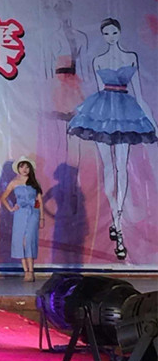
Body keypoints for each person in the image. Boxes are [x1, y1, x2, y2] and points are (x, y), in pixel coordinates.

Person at [67, 18, 157, 260]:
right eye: (106, 33)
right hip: (104, 112)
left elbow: (138, 92)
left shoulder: (131, 57)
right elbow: (99, 89)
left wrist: (152, 121)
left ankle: (118, 220)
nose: (110, 36)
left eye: (113, 32)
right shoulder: (99, 60)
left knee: (121, 167)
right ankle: (116, 223)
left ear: (119, 32)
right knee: (109, 167)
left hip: (126, 112)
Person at [0, 156, 44, 282]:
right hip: (20, 214)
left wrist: (41, 217)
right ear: (18, 169)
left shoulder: (34, 183)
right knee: (20, 242)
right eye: (22, 167)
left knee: (29, 240)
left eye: (27, 167)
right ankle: (26, 271)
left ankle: (31, 271)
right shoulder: (14, 183)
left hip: (33, 213)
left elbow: (39, 201)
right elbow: (3, 197)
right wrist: (11, 208)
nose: (24, 169)